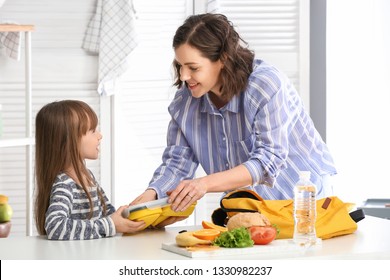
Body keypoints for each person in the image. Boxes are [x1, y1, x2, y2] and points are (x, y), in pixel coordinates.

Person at [131, 13, 337, 226]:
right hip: (248, 211)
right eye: (180, 66)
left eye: (193, 68)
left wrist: (203, 184)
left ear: (223, 59)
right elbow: (177, 164)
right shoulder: (185, 102)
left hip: (302, 202)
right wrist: (148, 199)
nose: (183, 76)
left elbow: (269, 159)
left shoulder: (264, 84)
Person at [34, 100, 145, 240]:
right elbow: (55, 227)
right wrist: (111, 224)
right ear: (69, 141)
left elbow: (106, 212)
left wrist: (127, 217)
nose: (100, 135)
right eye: (92, 131)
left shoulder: (87, 176)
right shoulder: (64, 184)